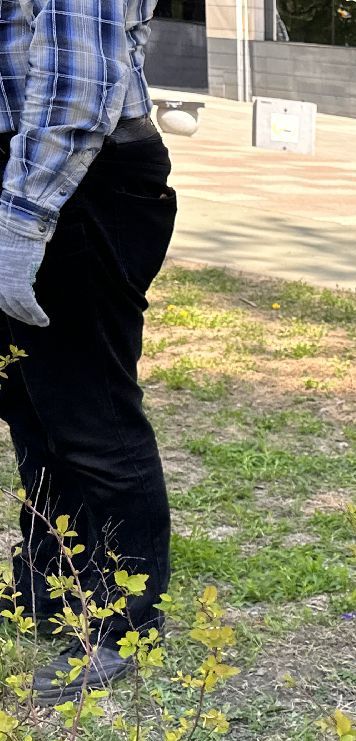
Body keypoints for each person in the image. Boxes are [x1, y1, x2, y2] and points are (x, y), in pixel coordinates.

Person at [0, 0, 177, 703]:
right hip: (32, 166)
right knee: (31, 406)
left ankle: (125, 624)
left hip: (74, 175)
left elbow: (77, 85)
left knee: (91, 413)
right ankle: (49, 586)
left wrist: (22, 225)